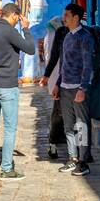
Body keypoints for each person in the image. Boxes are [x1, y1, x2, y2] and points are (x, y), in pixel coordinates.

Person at [0, 2, 34, 179]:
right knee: (10, 129)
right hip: (7, 86)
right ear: (13, 16)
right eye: (17, 19)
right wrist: (26, 29)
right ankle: (6, 169)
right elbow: (31, 49)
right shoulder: (10, 31)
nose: (17, 22)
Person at [54, 2, 93, 176]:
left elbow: (87, 65)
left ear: (76, 18)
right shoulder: (68, 37)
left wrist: (83, 88)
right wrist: (57, 84)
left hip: (78, 88)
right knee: (68, 126)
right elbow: (64, 64)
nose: (64, 19)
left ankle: (83, 161)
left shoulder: (85, 37)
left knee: (82, 125)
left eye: (67, 16)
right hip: (65, 88)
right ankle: (72, 158)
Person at [41, 17, 68, 159]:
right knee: (58, 112)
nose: (65, 19)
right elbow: (53, 57)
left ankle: (80, 153)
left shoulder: (81, 34)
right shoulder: (60, 33)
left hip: (67, 79)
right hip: (59, 78)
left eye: (67, 16)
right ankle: (53, 142)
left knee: (64, 113)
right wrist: (47, 76)